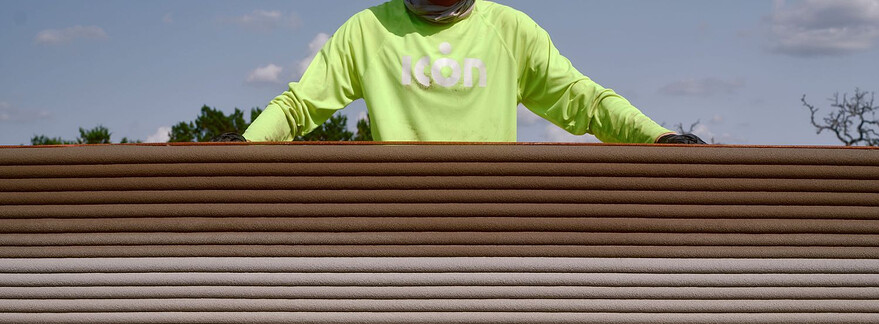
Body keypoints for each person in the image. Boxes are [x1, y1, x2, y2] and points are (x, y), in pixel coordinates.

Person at [236, 0, 705, 144]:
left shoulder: (509, 29)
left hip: (489, 230)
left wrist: (657, 138)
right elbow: (297, 107)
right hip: (397, 238)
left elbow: (586, 101)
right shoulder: (367, 30)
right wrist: (241, 150)